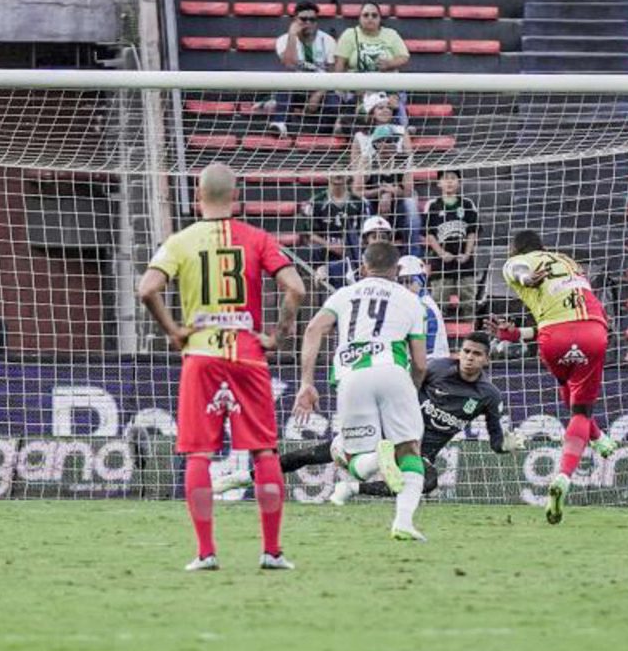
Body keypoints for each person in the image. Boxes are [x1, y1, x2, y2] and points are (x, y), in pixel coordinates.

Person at [138, 162, 306, 571]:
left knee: (199, 453)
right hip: (248, 354)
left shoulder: (181, 241)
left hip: (202, 355)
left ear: (198, 196)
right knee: (264, 450)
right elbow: (297, 288)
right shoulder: (256, 238)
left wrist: (175, 331)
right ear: (236, 196)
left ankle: (206, 552)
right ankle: (271, 551)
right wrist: (276, 336)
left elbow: (146, 289)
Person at [213, 333, 525, 504]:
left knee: (426, 482)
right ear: (461, 351)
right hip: (385, 433)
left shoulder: (488, 395)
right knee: (306, 456)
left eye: (477, 354)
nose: (470, 358)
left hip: (420, 453)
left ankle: (353, 490)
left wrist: (509, 444)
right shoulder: (437, 368)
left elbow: (497, 443)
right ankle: (240, 478)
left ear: (486, 359)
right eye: (467, 352)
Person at [293, 241, 429, 541]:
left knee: (353, 462)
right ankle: (403, 521)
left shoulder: (344, 294)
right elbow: (420, 362)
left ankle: (376, 459)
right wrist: (413, 387)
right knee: (410, 450)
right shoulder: (411, 301)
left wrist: (306, 382)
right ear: (397, 270)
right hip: (393, 372)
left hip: (352, 377)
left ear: (364, 267)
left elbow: (314, 329)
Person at [487, 230, 617, 524]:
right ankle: (566, 473)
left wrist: (525, 280)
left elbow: (518, 270)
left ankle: (598, 439)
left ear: (515, 248)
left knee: (570, 396)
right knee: (580, 409)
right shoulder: (568, 262)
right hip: (593, 331)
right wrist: (518, 333)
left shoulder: (517, 261)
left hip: (554, 338)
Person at [333, 3, 410, 127]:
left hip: (388, 86)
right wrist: (341, 87)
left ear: (380, 19)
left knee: (392, 102)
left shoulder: (390, 34)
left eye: (374, 15)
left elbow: (404, 57)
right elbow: (340, 63)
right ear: (359, 18)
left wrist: (389, 64)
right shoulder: (349, 34)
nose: (370, 18)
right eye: (366, 15)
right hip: (358, 88)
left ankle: (402, 129)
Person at [271, 1, 340, 138]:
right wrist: (292, 36)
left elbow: (332, 74)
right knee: (284, 86)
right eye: (303, 19)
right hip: (296, 88)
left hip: (320, 88)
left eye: (312, 19)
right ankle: (280, 125)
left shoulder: (328, 41)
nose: (308, 22)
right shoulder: (284, 40)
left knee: (333, 102)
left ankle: (323, 136)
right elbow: (289, 64)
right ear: (295, 20)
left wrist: (318, 94)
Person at [424, 169, 480, 322]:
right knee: (439, 298)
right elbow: (429, 234)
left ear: (459, 182)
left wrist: (467, 254)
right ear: (439, 183)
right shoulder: (433, 205)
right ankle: (437, 330)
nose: (449, 181)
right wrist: (441, 253)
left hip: (464, 261)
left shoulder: (467, 204)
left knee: (468, 297)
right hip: (441, 262)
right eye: (445, 178)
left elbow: (472, 231)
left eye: (453, 178)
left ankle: (471, 327)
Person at [299, 173, 369, 283]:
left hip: (353, 251)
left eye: (341, 171)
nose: (337, 174)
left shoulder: (359, 203)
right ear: (327, 175)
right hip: (325, 249)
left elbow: (365, 234)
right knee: (313, 249)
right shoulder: (316, 201)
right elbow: (309, 234)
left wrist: (349, 248)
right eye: (334, 170)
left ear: (348, 176)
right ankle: (320, 275)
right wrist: (332, 246)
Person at [397, 255, 449, 359]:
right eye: (400, 282)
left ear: (421, 281)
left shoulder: (425, 306)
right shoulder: (411, 301)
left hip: (432, 361)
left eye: (409, 282)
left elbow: (428, 347)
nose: (404, 287)